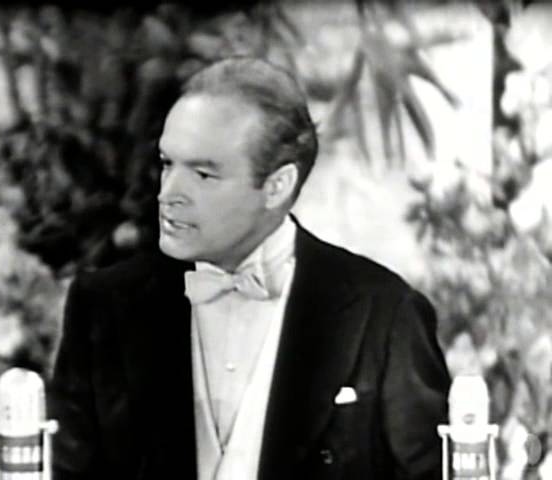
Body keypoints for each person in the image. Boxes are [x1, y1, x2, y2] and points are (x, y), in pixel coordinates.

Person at [47, 56, 451, 480]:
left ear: (277, 186)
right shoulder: (104, 307)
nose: (168, 194)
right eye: (167, 163)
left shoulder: (383, 314)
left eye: (203, 174)